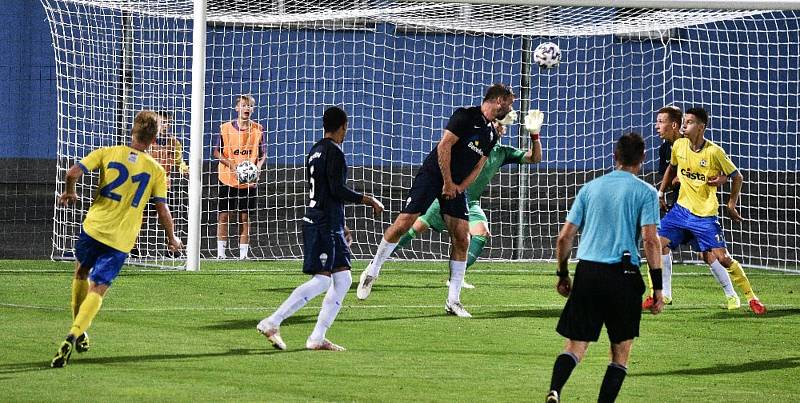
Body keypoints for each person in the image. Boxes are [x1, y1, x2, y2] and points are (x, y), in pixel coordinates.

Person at [356, 83, 514, 318]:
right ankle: (372, 270)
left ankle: (453, 301)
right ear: (499, 100)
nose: (511, 109)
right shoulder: (464, 116)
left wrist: (459, 187)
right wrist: (447, 181)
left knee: (462, 238)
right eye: (509, 103)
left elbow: (479, 165)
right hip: (433, 176)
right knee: (404, 222)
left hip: (455, 185)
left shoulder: (491, 133)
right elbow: (444, 146)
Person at [51, 110, 183, 368]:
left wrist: (69, 192)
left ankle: (78, 329)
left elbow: (72, 173)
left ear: (132, 131)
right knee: (98, 288)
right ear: (155, 138)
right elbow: (162, 209)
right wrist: (172, 238)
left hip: (94, 228)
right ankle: (75, 333)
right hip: (121, 240)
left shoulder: (107, 152)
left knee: (81, 274)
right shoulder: (156, 170)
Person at [545, 132, 664, 403]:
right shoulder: (646, 193)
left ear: (615, 156)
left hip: (588, 272)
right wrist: (658, 287)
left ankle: (555, 390)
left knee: (575, 346)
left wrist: (563, 273)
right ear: (642, 159)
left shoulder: (590, 188)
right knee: (620, 352)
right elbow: (650, 240)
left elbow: (564, 237)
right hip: (622, 276)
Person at [257, 106, 383, 351]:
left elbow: (324, 192)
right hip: (322, 224)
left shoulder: (314, 151)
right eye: (346, 128)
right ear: (343, 127)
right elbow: (337, 190)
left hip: (328, 221)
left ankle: (317, 337)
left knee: (344, 279)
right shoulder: (334, 152)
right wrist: (367, 199)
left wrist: (340, 222)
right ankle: (272, 321)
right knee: (323, 281)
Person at [391, 109, 544, 289]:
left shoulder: (502, 153)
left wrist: (535, 135)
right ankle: (377, 263)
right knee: (414, 228)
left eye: (504, 127)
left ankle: (456, 278)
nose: (502, 129)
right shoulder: (473, 141)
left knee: (481, 232)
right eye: (499, 124)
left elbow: (535, 158)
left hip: (470, 202)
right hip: (448, 195)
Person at [656, 107, 766, 315]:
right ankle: (658, 294)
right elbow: (672, 166)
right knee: (655, 243)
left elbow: (737, 176)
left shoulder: (714, 152)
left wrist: (730, 204)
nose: (684, 126)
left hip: (704, 216)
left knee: (720, 257)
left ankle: (751, 298)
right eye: (684, 122)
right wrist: (662, 190)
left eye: (689, 122)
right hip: (680, 211)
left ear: (701, 127)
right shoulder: (678, 146)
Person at [642, 106, 739, 310]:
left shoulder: (695, 144)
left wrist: (722, 178)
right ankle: (663, 294)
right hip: (679, 208)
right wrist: (661, 193)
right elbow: (669, 172)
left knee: (709, 255)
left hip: (700, 210)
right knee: (660, 244)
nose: (656, 126)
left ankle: (732, 295)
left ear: (675, 125)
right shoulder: (666, 149)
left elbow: (721, 169)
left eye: (661, 121)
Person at [213, 95, 267, 260]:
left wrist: (257, 167)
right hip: (228, 177)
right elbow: (216, 152)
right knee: (224, 215)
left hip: (248, 181)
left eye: (250, 106)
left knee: (245, 216)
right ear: (237, 108)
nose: (247, 108)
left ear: (253, 109)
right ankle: (221, 254)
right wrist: (232, 166)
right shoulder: (225, 128)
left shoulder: (258, 129)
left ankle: (243, 255)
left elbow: (263, 153)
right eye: (244, 105)